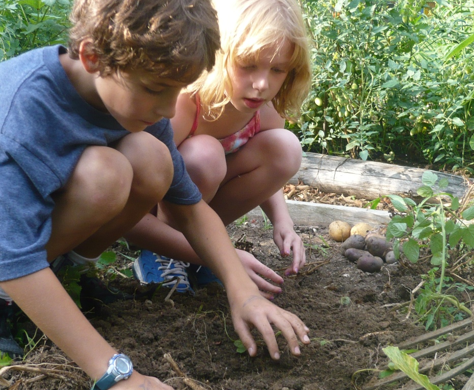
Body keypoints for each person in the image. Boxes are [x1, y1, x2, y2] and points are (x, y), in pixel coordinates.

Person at [0, 0, 310, 389]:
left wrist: (243, 291)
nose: (168, 110)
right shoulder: (23, 111)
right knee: (105, 172)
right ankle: (7, 302)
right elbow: (12, 256)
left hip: (26, 238)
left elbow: (190, 207)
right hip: (8, 248)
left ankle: (67, 277)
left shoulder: (139, 105)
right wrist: (117, 375)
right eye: (156, 89)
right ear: (93, 57)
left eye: (179, 90)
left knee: (149, 157)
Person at [126, 0, 312, 299]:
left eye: (277, 69)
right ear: (218, 53)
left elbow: (272, 170)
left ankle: (202, 250)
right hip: (151, 213)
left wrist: (282, 220)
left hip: (199, 214)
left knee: (285, 147)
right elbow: (135, 195)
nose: (262, 84)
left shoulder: (263, 108)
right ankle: (164, 253)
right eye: (247, 65)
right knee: (205, 155)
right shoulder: (186, 103)